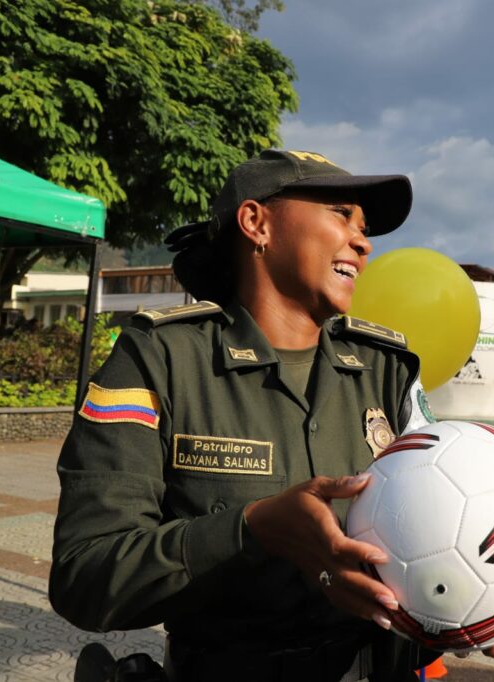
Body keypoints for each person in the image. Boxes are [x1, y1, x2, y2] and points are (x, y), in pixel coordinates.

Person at [50, 149, 471, 681]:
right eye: (341, 214)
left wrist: (480, 599)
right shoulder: (160, 359)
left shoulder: (385, 369)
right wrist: (251, 532)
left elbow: (441, 518)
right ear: (256, 222)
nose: (363, 244)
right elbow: (84, 577)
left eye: (364, 227)